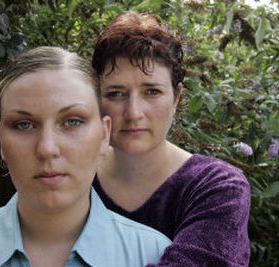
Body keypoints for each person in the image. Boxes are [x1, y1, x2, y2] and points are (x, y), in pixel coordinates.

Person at [0, 46, 171, 267]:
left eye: (72, 121)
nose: (47, 148)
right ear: (2, 141)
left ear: (104, 135)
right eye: (24, 125)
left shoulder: (157, 256)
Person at [91, 11, 251, 266]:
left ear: (176, 98)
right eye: (116, 93)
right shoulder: (75, 175)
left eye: (152, 92)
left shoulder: (217, 187)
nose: (133, 113)